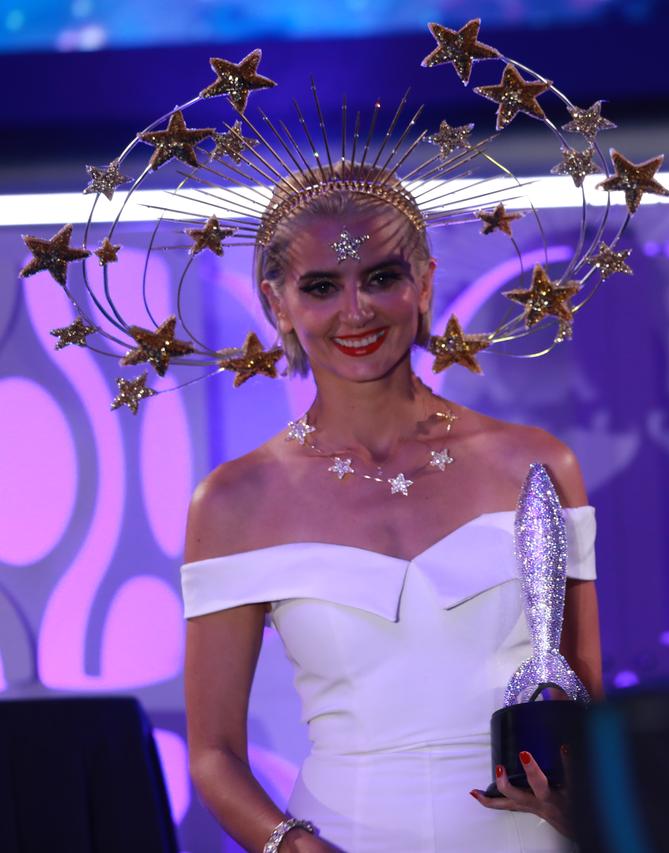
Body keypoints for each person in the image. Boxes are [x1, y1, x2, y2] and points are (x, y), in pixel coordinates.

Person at [181, 170, 603, 852]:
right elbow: (215, 752)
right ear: (277, 303)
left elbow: (588, 705)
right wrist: (294, 845)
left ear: (425, 282)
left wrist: (582, 803)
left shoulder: (538, 465)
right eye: (321, 286)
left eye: (381, 277)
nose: (357, 311)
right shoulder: (234, 501)